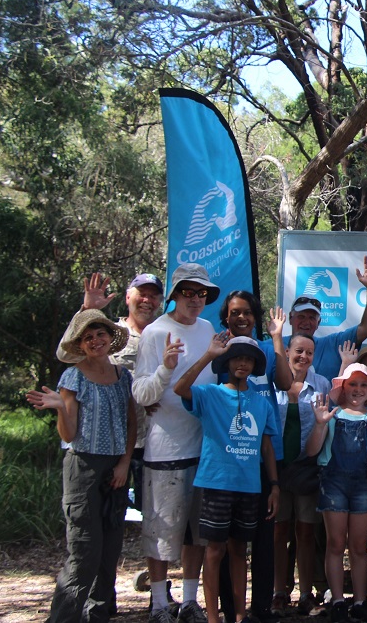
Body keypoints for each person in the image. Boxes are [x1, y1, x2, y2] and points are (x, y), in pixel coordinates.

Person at [27, 310, 136, 623]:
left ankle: (99, 614)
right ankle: (64, 617)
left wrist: (124, 463)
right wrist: (62, 407)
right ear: (81, 345)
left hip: (115, 468)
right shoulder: (73, 376)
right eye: (88, 338)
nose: (95, 341)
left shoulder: (122, 376)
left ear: (109, 337)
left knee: (110, 549)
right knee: (86, 550)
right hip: (83, 467)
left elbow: (130, 423)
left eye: (100, 334)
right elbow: (68, 434)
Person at [132, 263, 220, 623]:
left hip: (204, 448)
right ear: (174, 295)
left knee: (194, 534)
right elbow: (141, 393)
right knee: (159, 531)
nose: (196, 299)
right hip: (164, 449)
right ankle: (157, 603)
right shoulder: (155, 333)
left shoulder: (208, 329)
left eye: (201, 293)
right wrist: (166, 368)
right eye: (188, 292)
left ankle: (188, 602)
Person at [172, 335, 280, 623]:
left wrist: (274, 485)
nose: (242, 363)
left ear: (255, 364)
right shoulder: (211, 394)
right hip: (216, 482)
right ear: (227, 362)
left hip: (250, 486)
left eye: (248, 359)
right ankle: (212, 618)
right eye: (236, 358)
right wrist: (208, 355)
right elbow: (180, 388)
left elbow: (267, 446)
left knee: (239, 551)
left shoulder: (261, 403)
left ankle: (240, 615)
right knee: (214, 550)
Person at [216, 290, 293, 622]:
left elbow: (287, 382)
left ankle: (260, 608)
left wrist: (276, 339)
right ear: (226, 318)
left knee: (264, 536)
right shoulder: (220, 350)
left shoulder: (264, 348)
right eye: (235, 313)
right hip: (231, 455)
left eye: (247, 312)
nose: (241, 318)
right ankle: (230, 608)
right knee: (227, 540)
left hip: (266, 455)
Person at [305, 363, 367, 622]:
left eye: (363, 385)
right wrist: (319, 424)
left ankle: (359, 601)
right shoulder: (331, 415)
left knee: (359, 547)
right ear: (343, 388)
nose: (358, 390)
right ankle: (337, 601)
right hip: (332, 482)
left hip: (363, 485)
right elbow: (313, 451)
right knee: (335, 544)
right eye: (353, 384)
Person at [273, 334, 331, 616]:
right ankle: (279, 591)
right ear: (287, 351)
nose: (303, 357)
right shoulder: (272, 383)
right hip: (277, 467)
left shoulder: (321, 385)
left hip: (307, 469)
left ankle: (307, 592)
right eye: (298, 351)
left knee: (306, 531)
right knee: (279, 530)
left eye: (309, 352)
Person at [287, 255, 367, 380]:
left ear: (318, 322)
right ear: (290, 318)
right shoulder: (274, 345)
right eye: (301, 316)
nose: (306, 322)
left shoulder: (333, 344)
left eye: (312, 318)